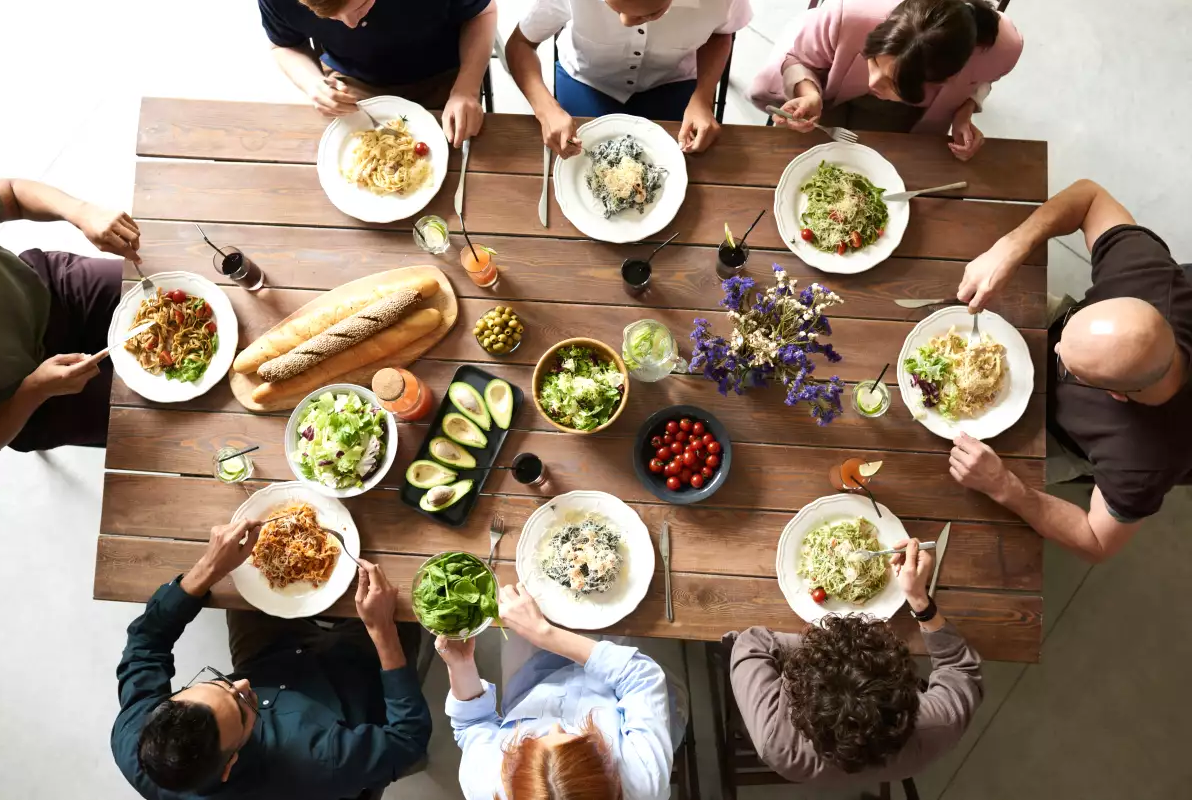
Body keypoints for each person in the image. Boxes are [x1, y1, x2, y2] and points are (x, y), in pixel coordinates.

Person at [949, 179, 1192, 563]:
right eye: (1066, 340)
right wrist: (1011, 247)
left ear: (1116, 394)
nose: (1054, 348)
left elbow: (1096, 541)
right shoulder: (1147, 277)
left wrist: (1005, 486)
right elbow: (1089, 197)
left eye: (1069, 364)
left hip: (1062, 437)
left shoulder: (1142, 462)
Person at [111, 519, 431, 799]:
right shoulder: (320, 762)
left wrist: (208, 568)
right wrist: (382, 631)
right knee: (402, 593)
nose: (242, 684)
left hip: (268, 661)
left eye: (219, 683)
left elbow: (146, 644)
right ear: (230, 764)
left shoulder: (134, 739)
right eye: (241, 708)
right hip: (350, 690)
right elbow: (408, 739)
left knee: (247, 577)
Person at [728, 539, 982, 784]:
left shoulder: (775, 740)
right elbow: (961, 670)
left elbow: (750, 644)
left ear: (799, 697)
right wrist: (920, 601)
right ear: (907, 695)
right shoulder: (939, 724)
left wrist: (816, 651)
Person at [438, 582, 687, 799]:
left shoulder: (484, 785)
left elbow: (472, 724)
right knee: (628, 600)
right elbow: (640, 676)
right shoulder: (643, 781)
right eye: (576, 737)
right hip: (620, 686)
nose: (556, 725)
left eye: (529, 741)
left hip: (533, 678)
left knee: (520, 592)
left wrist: (461, 667)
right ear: (608, 776)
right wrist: (544, 633)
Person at [748, 0, 1023, 160]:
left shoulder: (1002, 49)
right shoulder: (849, 14)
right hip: (828, 86)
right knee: (803, 152)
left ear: (944, 79)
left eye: (893, 84)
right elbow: (799, 58)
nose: (872, 83)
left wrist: (964, 113)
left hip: (909, 115)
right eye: (873, 61)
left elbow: (982, 81)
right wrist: (809, 93)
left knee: (894, 161)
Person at [0, 178, 142, 454]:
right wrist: (34, 390)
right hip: (28, 399)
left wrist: (81, 212)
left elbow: (11, 194)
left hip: (52, 290)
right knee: (158, 415)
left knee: (166, 295)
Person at [505, 0, 753, 157]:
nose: (625, 22)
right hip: (586, 79)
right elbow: (520, 44)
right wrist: (546, 110)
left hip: (672, 81)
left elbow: (722, 33)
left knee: (687, 166)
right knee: (573, 164)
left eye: (650, 13)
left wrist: (703, 97)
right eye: (612, 7)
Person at [258, 0, 498, 146]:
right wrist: (312, 83)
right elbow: (283, 45)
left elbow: (483, 13)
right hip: (352, 83)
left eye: (360, 6)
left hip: (444, 75)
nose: (350, 25)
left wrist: (466, 89)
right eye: (329, 18)